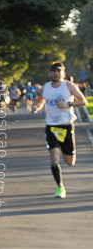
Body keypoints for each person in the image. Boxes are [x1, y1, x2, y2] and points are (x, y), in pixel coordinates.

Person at [32, 62, 86, 198]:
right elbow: (41, 101)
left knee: (70, 162)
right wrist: (37, 108)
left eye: (58, 71)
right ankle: (60, 187)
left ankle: (62, 149)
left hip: (66, 126)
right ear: (50, 73)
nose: (55, 73)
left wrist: (69, 104)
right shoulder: (45, 88)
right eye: (53, 71)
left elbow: (83, 101)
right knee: (54, 157)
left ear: (63, 73)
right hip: (51, 127)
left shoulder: (68, 86)